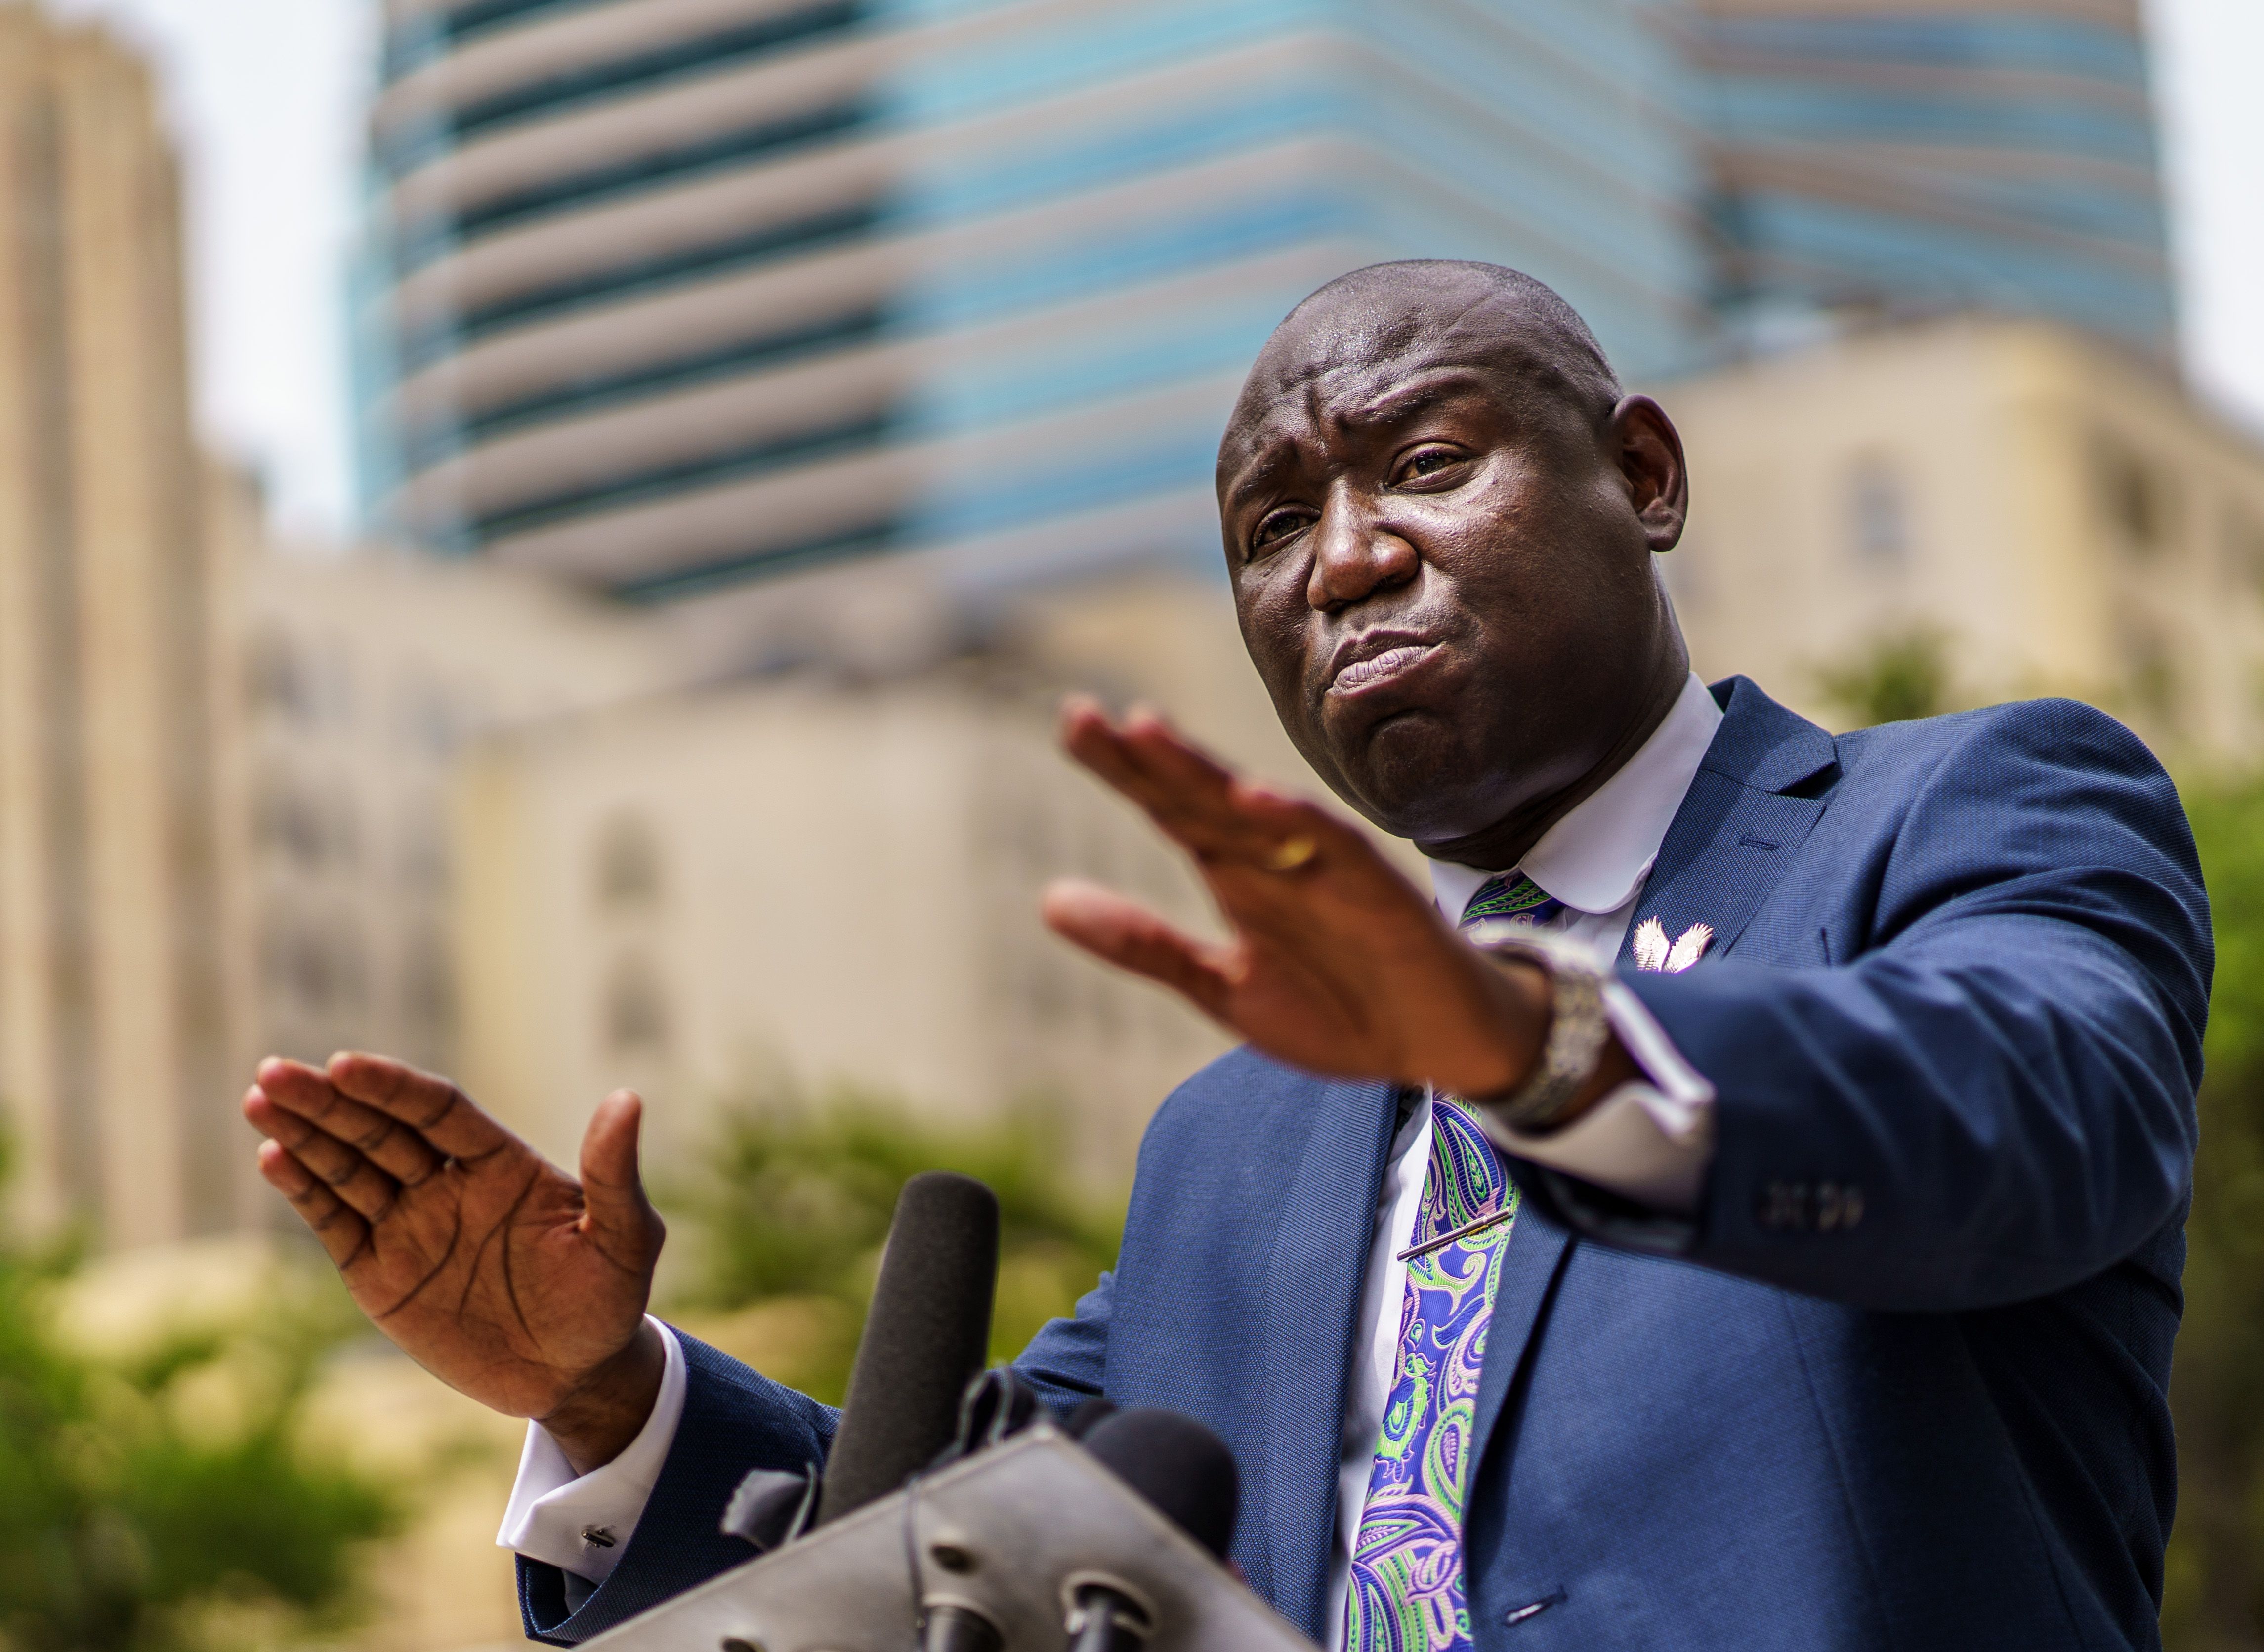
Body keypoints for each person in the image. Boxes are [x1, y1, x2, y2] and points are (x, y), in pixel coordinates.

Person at [241, 262, 2208, 1652]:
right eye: (1276, 523)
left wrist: (1524, 1044)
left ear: (1646, 474)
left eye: (1426, 464)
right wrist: (612, 1400)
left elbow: (2026, 1111)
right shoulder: (1238, 1135)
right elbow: (961, 1551)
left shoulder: (1970, 811)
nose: (1346, 557)